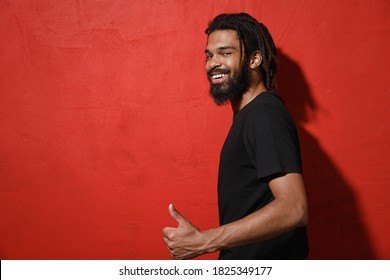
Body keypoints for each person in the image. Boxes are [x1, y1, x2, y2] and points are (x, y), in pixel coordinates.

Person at [162, 13, 309, 260]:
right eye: (209, 55)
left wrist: (204, 241)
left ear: (254, 59)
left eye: (225, 53)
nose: (212, 63)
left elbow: (294, 208)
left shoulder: (264, 114)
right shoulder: (250, 116)